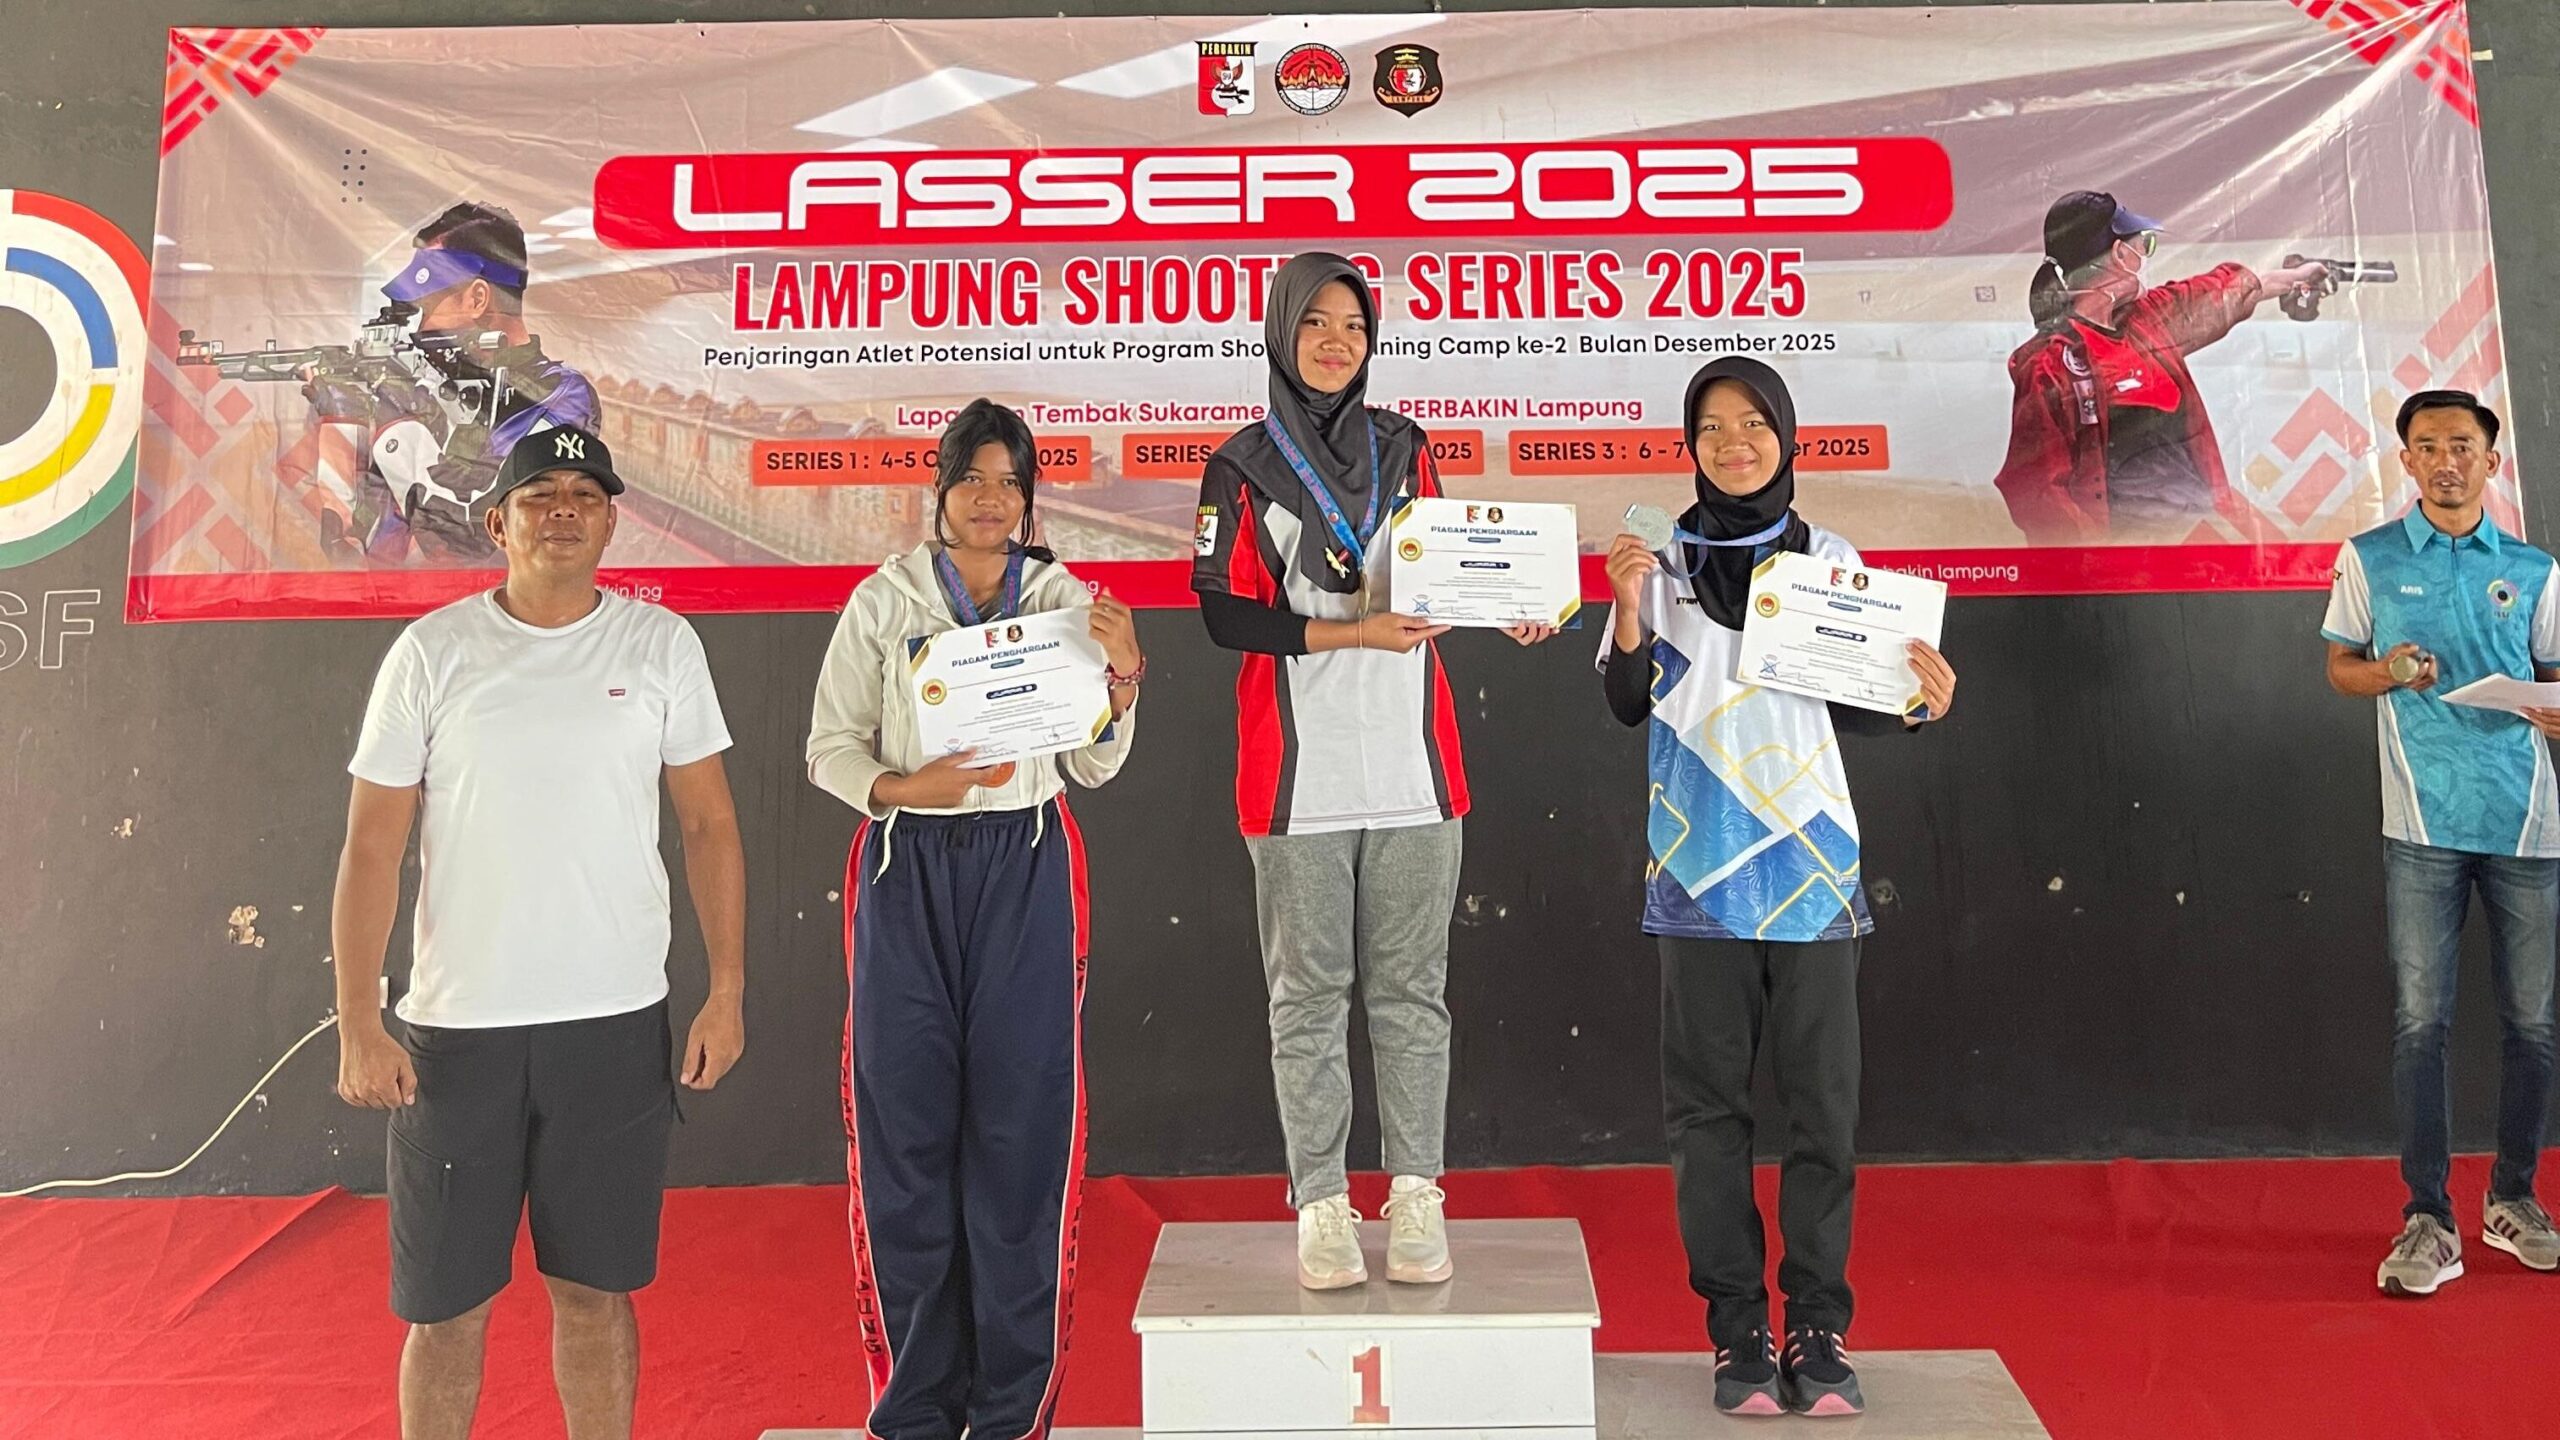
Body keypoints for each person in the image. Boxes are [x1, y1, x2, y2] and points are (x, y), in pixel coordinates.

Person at [330, 424, 745, 1440]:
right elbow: (372, 847)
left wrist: (727, 991)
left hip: (613, 1027)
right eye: (540, 495)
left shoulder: (661, 646)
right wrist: (359, 1021)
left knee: (595, 1295)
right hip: (457, 1034)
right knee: (445, 1310)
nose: (563, 511)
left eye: (584, 496)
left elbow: (708, 826)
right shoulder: (433, 652)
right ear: (497, 524)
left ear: (609, 523)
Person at [1598, 358, 1956, 1418]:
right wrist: (1626, 606)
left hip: (1810, 872)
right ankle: (1737, 1329)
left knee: (1822, 1114)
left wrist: (1920, 701)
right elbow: (1626, 699)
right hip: (1696, 877)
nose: (1735, 443)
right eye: (1712, 429)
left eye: (1753, 423)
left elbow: (1862, 703)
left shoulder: (1828, 559)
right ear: (1690, 447)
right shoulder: (1655, 559)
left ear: (1787, 437)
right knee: (1706, 1115)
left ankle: (1817, 1323)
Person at [1191, 251, 1554, 1292]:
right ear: (1281, 332)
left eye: (1353, 324)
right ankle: (1321, 1202)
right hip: (1295, 782)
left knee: (1411, 994)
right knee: (1308, 998)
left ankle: (1415, 1193)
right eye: (1315, 322)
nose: (1335, 342)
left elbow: (1439, 573)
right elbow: (1225, 616)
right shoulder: (1240, 466)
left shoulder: (1405, 448)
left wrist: (1506, 608)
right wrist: (1351, 635)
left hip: (1414, 774)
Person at [807, 399, 1144, 1440]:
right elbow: (828, 748)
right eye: (972, 479)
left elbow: (1092, 763)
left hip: (1026, 863)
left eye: (1009, 482)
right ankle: (913, 1409)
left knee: (1021, 1140)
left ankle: (1012, 1414)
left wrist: (1123, 679)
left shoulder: (1066, 601)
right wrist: (906, 789)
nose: (991, 499)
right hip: (906, 865)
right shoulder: (884, 599)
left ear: (1029, 496)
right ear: (940, 489)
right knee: (904, 1137)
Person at [2320, 388, 2560, 1296]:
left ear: (2492, 462)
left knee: (2533, 1023)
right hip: (2421, 825)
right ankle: (2428, 1218)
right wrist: (2385, 671)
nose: (2446, 460)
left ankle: (2514, 1198)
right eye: (2427, 446)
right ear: (2407, 462)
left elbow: (2554, 676)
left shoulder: (2535, 569)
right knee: (2421, 1024)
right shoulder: (2370, 558)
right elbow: (2340, 668)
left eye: (2462, 444)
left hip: (2526, 824)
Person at [1992, 190, 2331, 544]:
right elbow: (2035, 491)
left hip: (2194, 537)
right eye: (2144, 246)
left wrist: (2298, 276)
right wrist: (2100, 561)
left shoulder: (2148, 320)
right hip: (2128, 558)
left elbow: (2226, 292)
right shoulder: (2049, 364)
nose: (2144, 257)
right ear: (2120, 254)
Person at [283, 201, 600, 565]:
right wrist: (343, 420)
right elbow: (364, 543)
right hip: (409, 597)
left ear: (477, 299)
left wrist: (394, 421)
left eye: (427, 309)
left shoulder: (560, 395)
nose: (419, 329)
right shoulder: (437, 388)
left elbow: (473, 533)